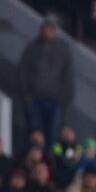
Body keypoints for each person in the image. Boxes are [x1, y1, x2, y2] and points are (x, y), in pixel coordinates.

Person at [17, 16, 73, 144]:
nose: (48, 31)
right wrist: (26, 96)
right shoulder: (32, 48)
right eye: (46, 28)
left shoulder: (63, 50)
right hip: (34, 99)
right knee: (35, 135)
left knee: (53, 135)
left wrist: (63, 99)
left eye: (51, 29)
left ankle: (51, 156)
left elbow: (67, 76)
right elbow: (22, 72)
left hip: (55, 101)